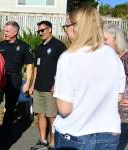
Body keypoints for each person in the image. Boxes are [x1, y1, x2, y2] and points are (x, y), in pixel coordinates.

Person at [53, 6, 126, 150]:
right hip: (108, 135)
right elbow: (118, 97)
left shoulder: (68, 57)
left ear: (76, 27)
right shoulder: (113, 56)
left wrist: (58, 92)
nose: (66, 30)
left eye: (66, 26)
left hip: (75, 134)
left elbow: (64, 109)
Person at [29, 20, 66, 150]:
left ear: (50, 29)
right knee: (40, 114)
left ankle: (52, 143)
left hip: (51, 89)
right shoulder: (39, 48)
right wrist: (33, 85)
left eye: (42, 30)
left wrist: (57, 84)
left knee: (52, 116)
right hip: (39, 88)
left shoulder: (59, 46)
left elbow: (63, 68)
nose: (40, 33)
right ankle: (43, 140)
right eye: (38, 31)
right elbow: (36, 68)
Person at [0, 21, 33, 144]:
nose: (4, 33)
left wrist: (27, 82)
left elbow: (29, 65)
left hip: (14, 79)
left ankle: (5, 136)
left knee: (10, 108)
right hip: (0, 78)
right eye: (4, 30)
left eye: (7, 31)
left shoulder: (24, 46)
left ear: (15, 32)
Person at [103, 23, 128, 150]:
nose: (103, 43)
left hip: (123, 117)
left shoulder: (126, 58)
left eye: (105, 40)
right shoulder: (108, 58)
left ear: (116, 39)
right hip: (109, 115)